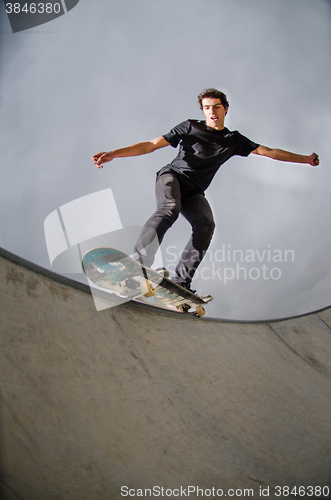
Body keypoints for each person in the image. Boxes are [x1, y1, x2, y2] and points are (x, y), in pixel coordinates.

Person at [92, 88, 319, 293]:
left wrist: (306, 159)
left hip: (195, 191)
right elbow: (151, 145)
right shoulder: (190, 126)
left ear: (225, 109)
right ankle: (138, 264)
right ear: (203, 110)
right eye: (207, 108)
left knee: (206, 225)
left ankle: (182, 283)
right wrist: (114, 153)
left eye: (216, 107)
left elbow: (269, 152)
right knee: (170, 208)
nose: (212, 112)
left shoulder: (234, 140)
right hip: (172, 177)